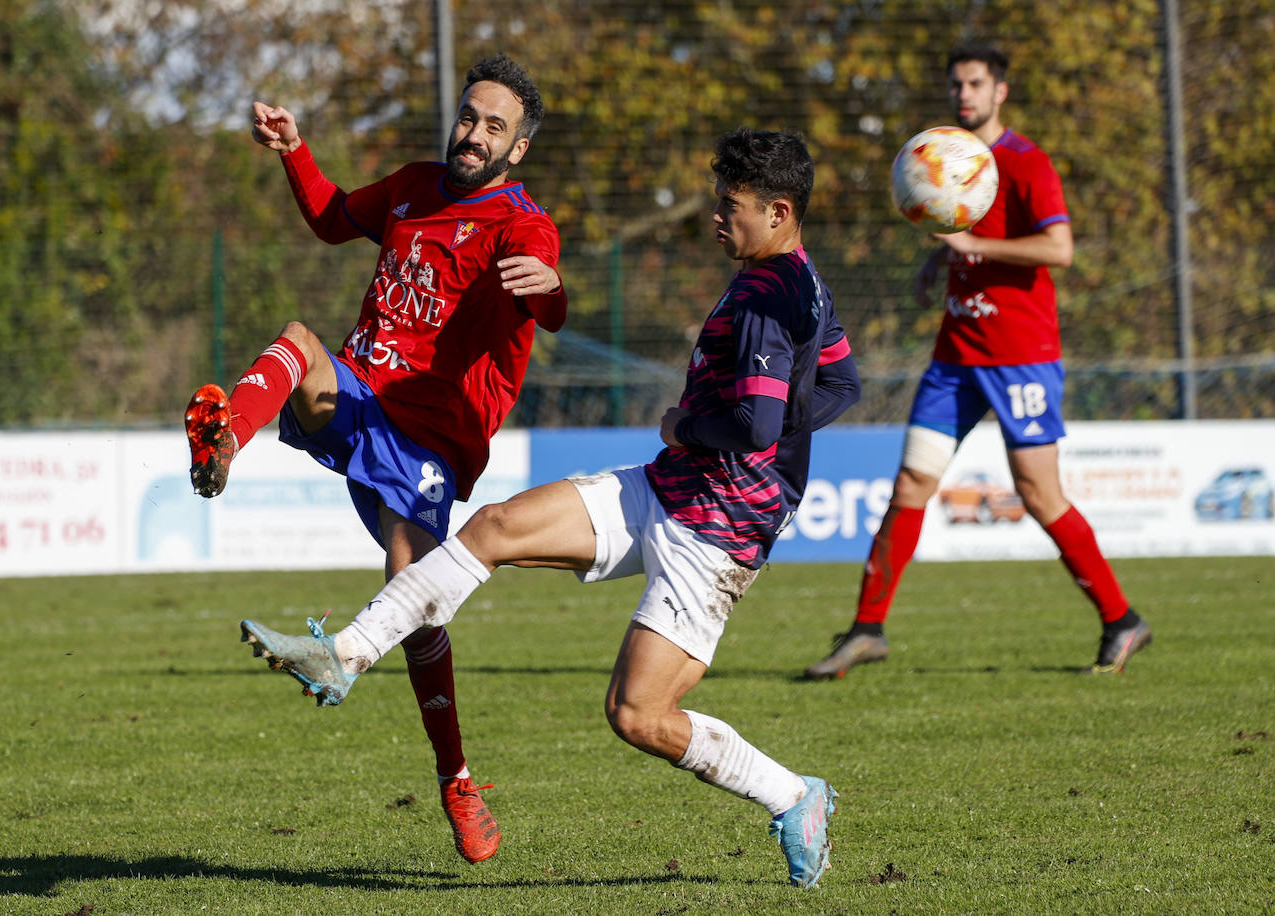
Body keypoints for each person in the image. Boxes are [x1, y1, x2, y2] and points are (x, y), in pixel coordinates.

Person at [238, 128, 861, 887]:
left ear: (780, 210)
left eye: (730, 206)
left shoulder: (769, 294)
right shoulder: (804, 279)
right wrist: (767, 449)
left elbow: (755, 424)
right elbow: (840, 386)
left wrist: (688, 427)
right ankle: (344, 656)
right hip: (671, 487)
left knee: (638, 716)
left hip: (716, 533)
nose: (715, 218)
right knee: (493, 528)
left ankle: (794, 796)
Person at [185, 54, 567, 864]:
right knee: (297, 344)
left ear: (517, 149)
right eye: (469, 115)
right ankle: (224, 441)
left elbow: (552, 295)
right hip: (361, 398)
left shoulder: (520, 223)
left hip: (432, 440)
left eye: (495, 127)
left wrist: (549, 287)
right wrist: (295, 149)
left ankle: (457, 780)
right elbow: (329, 218)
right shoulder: (411, 184)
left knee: (418, 600)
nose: (474, 134)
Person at [803, 44, 1150, 682]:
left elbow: (1060, 248)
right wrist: (940, 260)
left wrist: (971, 243)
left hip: (1021, 357)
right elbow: (967, 243)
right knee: (910, 485)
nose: (964, 94)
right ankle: (867, 629)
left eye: (975, 83)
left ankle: (1121, 618)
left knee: (1041, 495)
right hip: (955, 357)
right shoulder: (949, 160)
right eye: (956, 84)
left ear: (1000, 92)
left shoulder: (1024, 162)